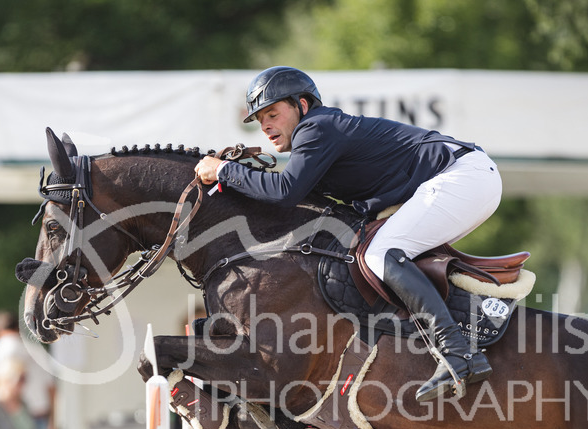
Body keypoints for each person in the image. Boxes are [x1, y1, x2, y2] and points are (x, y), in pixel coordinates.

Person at [194, 66, 503, 402]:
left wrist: (224, 169)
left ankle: (458, 352)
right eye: (259, 119)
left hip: (463, 177)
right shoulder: (317, 136)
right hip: (465, 179)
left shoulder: (316, 128)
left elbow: (284, 192)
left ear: (303, 105)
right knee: (378, 252)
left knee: (380, 254)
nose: (265, 125)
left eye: (273, 113)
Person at [0, 310, 56, 429]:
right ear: (19, 329)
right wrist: (52, 423)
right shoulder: (38, 352)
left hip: (3, 420)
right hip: (39, 418)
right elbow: (52, 389)